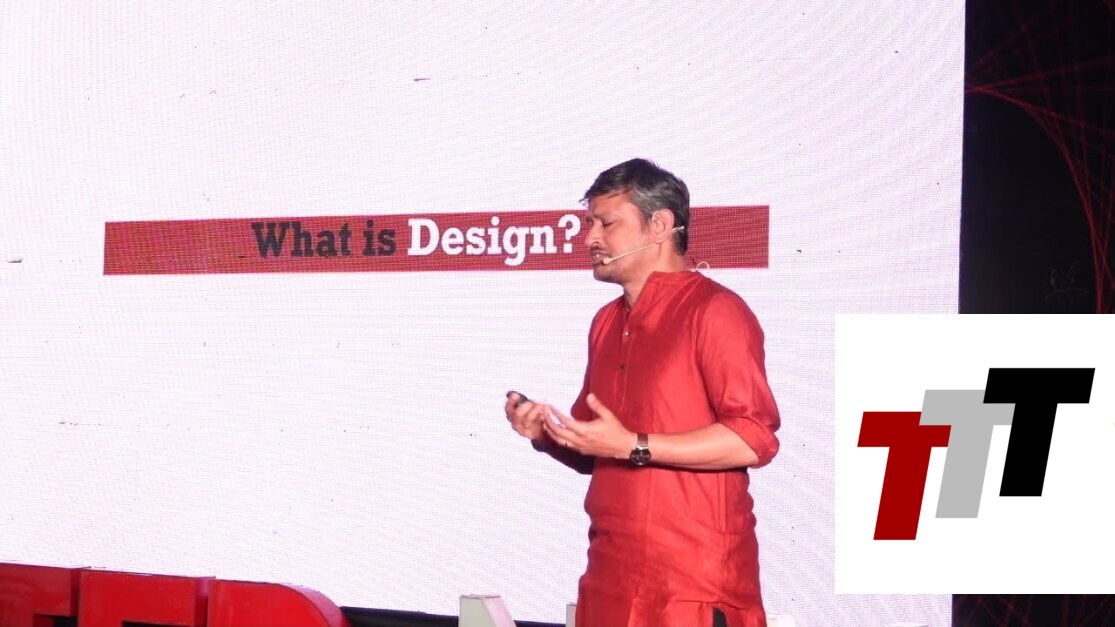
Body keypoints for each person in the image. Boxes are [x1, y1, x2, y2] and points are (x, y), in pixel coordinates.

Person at [504, 158, 781, 627]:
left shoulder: (716, 310)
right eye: (589, 224)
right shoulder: (605, 322)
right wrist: (547, 435)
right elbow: (601, 450)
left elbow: (752, 439)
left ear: (660, 226)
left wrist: (634, 445)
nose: (590, 239)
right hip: (609, 580)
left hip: (691, 587)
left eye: (607, 224)